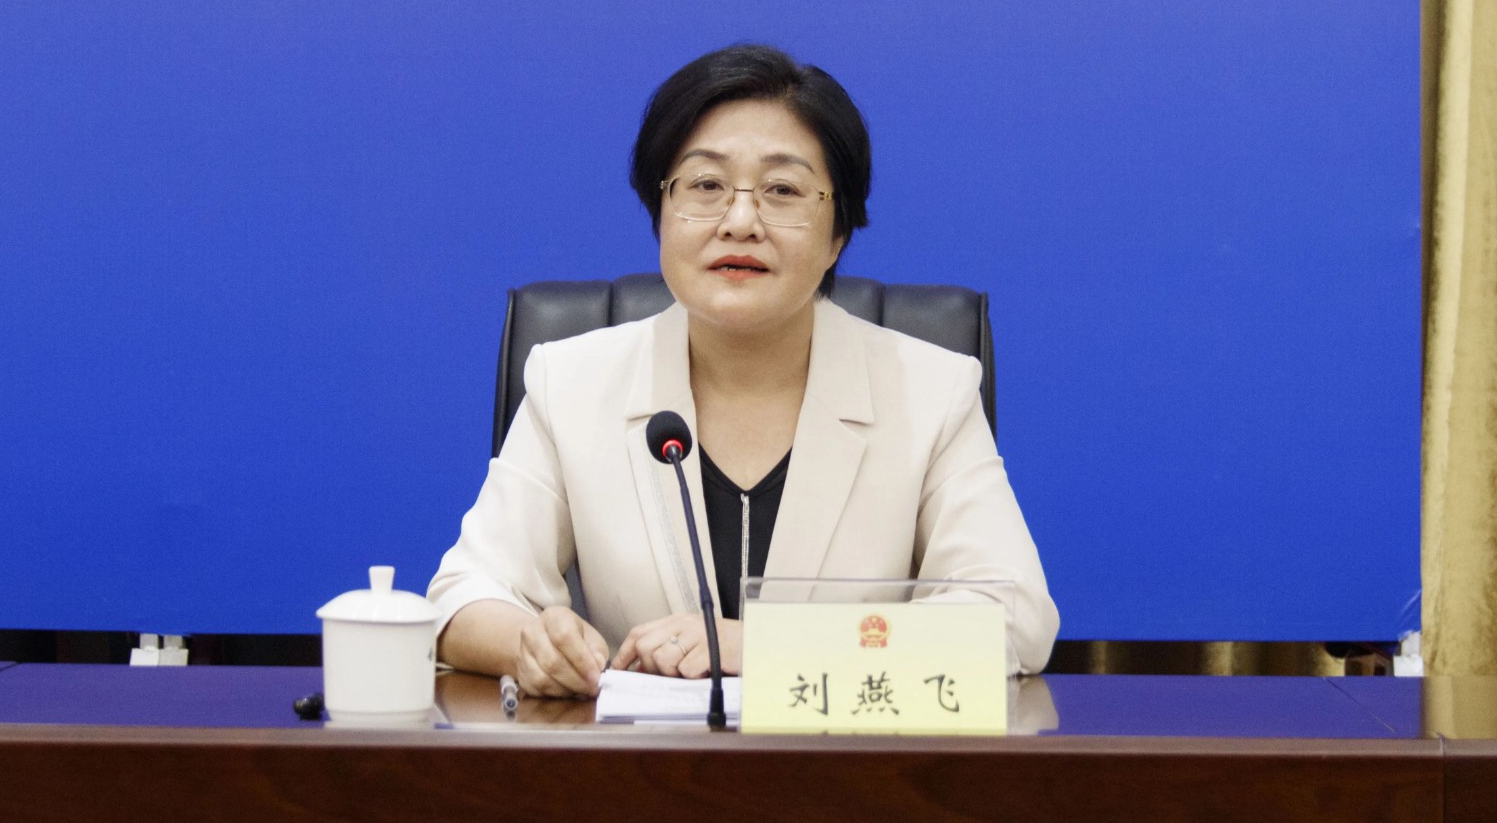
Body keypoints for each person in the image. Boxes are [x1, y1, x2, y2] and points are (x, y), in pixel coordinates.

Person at [428, 44, 1059, 696]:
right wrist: (532, 644)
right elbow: (462, 595)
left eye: (782, 191)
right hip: (641, 756)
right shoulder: (572, 383)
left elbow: (1013, 619)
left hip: (842, 754)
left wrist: (768, 646)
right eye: (705, 186)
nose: (739, 222)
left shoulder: (931, 393)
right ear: (660, 210)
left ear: (838, 232)